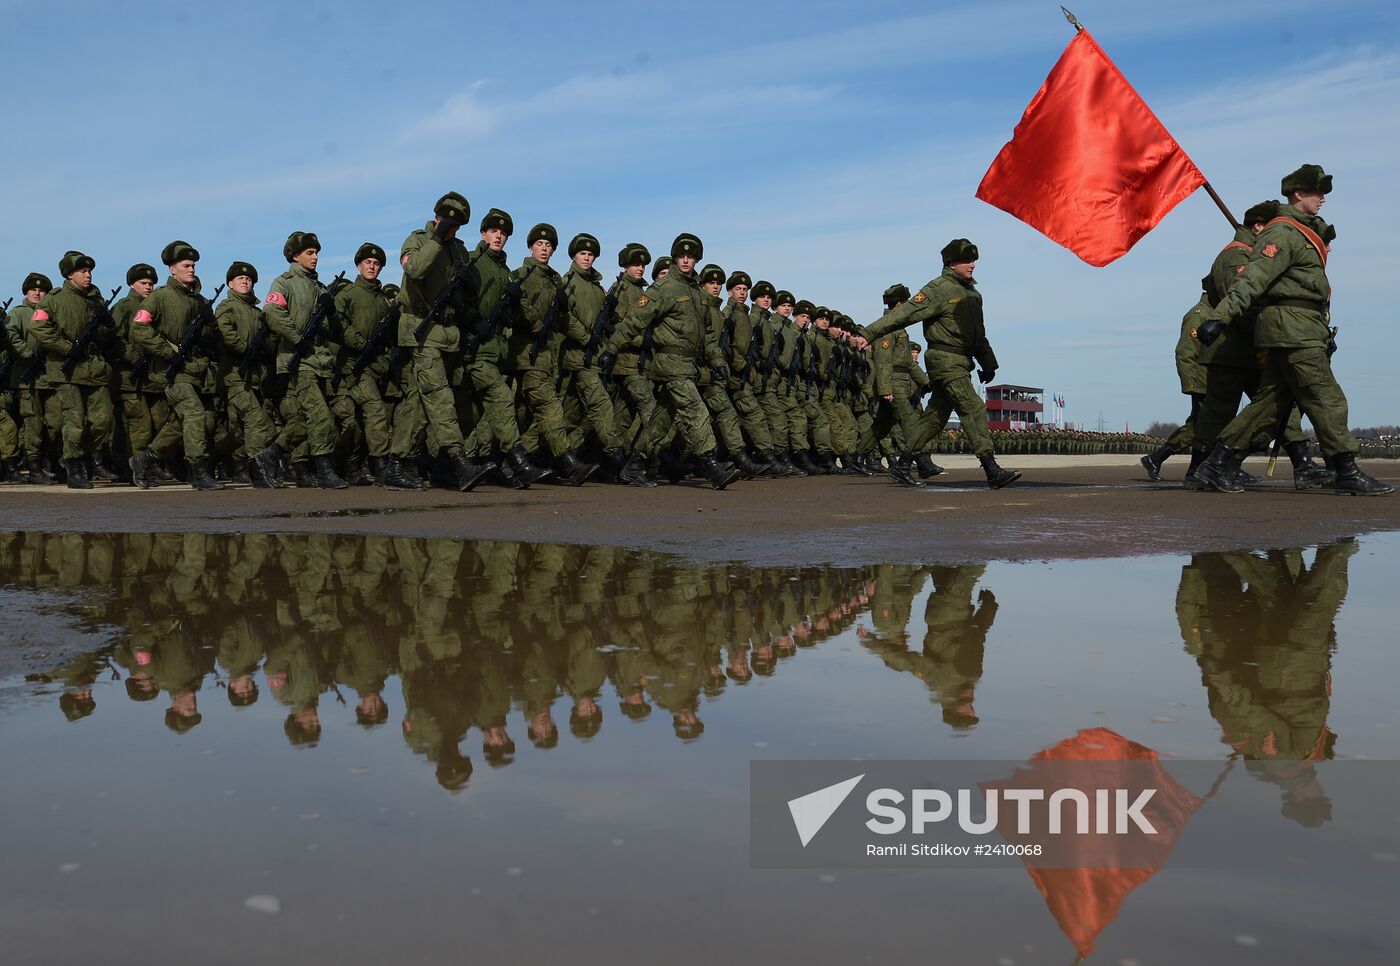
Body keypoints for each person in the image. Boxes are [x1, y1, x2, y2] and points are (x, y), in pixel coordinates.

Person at [1195, 165, 1391, 495]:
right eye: (1318, 192)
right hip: (1293, 331)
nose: (1323, 199)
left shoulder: (1299, 232)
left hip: (1299, 329)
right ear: (1298, 194)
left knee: (1269, 406)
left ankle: (1217, 465)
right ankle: (1346, 470)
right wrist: (1221, 317)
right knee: (1326, 397)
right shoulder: (1282, 233)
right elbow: (1252, 279)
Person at [864, 239, 1020, 488]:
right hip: (944, 360)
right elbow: (903, 315)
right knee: (973, 408)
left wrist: (988, 363)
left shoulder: (972, 294)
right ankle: (992, 469)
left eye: (974, 260)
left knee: (934, 418)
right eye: (967, 260)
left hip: (962, 361)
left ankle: (903, 465)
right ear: (951, 263)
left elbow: (978, 333)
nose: (972, 265)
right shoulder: (938, 289)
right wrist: (868, 334)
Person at [600, 233, 739, 489]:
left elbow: (707, 333)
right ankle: (711, 466)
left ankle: (634, 466)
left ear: (697, 259)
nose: (686, 260)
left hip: (689, 364)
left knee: (661, 420)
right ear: (675, 258)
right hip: (668, 362)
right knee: (696, 410)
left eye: (691, 256)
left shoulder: (697, 292)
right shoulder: (662, 289)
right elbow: (634, 321)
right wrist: (611, 349)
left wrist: (717, 361)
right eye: (681, 256)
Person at [128, 241, 226, 490]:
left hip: (197, 370)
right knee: (193, 414)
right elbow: (139, 329)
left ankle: (144, 459)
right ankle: (199, 472)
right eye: (186, 265)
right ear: (172, 269)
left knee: (186, 423)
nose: (191, 269)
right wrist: (167, 352)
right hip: (171, 371)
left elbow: (210, 337)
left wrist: (210, 322)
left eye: (193, 265)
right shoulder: (159, 298)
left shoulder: (200, 300)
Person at [265, 230, 349, 489]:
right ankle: (324, 469)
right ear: (294, 255)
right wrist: (297, 338)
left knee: (305, 419)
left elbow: (334, 331)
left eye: (316, 253)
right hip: (297, 360)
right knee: (320, 414)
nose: (315, 258)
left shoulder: (320, 287)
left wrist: (331, 310)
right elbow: (272, 312)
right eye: (309, 253)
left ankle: (270, 456)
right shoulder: (284, 282)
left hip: (319, 362)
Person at [28, 251, 119, 488]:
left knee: (103, 421)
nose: (88, 275)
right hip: (66, 371)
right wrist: (67, 348)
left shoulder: (95, 301)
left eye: (89, 271)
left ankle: (76, 454)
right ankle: (74, 466)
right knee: (74, 421)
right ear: (69, 275)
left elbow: (106, 336)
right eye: (82, 271)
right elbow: (38, 327)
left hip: (95, 370)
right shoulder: (54, 300)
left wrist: (108, 325)